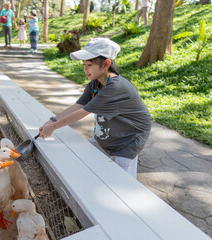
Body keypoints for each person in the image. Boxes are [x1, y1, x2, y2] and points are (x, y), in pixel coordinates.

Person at [38, 38, 152, 178]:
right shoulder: (96, 83)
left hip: (128, 140)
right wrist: (52, 120)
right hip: (108, 135)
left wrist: (54, 127)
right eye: (84, 64)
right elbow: (79, 105)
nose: (85, 69)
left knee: (121, 179)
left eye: (90, 64)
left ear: (106, 64)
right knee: (86, 162)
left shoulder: (115, 87)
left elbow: (83, 112)